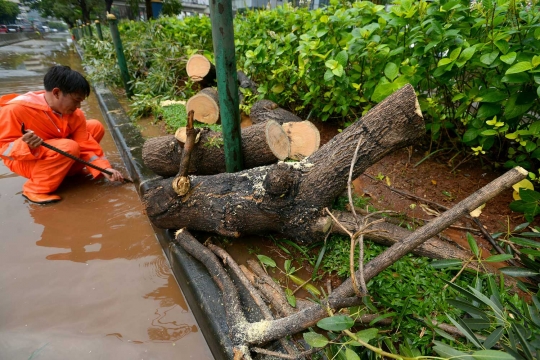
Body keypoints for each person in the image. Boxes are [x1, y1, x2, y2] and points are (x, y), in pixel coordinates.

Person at [0, 65, 124, 204]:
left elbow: (85, 144)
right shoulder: (14, 110)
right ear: (57, 93)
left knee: (94, 127)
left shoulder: (75, 114)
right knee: (69, 146)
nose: (79, 106)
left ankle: (68, 172)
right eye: (76, 100)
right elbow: (3, 149)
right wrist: (25, 145)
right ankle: (35, 189)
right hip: (25, 161)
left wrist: (103, 168)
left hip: (56, 150)